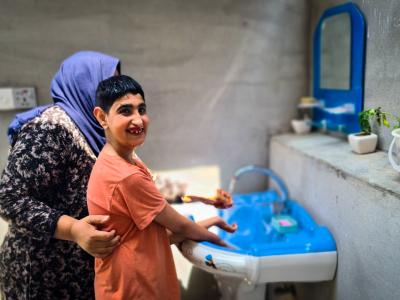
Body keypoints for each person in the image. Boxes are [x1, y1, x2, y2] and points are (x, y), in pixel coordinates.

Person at [87, 75, 237, 299]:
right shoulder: (126, 175)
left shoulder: (121, 161)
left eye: (141, 109)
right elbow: (181, 227)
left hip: (126, 281)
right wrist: (225, 245)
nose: (138, 120)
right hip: (134, 288)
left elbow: (150, 235)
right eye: (125, 111)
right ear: (102, 117)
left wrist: (211, 215)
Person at [0, 51, 122, 299]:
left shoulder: (93, 129)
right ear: (85, 84)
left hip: (77, 274)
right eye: (108, 86)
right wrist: (74, 229)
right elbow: (9, 198)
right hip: (41, 276)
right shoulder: (51, 128)